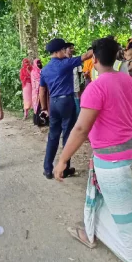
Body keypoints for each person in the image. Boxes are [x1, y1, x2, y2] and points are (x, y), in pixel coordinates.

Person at [53, 38, 132, 262]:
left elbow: (82, 128)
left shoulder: (96, 88)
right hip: (126, 152)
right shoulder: (128, 81)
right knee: (97, 196)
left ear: (93, 59)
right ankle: (91, 232)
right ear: (115, 57)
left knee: (124, 209)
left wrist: (63, 159)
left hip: (110, 158)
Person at [38, 38, 93, 179]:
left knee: (53, 135)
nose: (66, 52)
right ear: (57, 52)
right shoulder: (65, 64)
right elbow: (86, 56)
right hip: (66, 102)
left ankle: (47, 168)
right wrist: (100, 46)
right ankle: (65, 168)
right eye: (63, 49)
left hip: (54, 103)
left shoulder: (44, 70)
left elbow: (42, 91)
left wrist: (44, 108)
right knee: (68, 135)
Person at [65, 42, 83, 115]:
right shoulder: (62, 61)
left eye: (72, 48)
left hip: (75, 88)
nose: (72, 49)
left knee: (77, 107)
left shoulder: (76, 60)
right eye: (70, 48)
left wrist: (81, 87)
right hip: (65, 90)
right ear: (65, 49)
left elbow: (80, 74)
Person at [31, 59, 47, 126]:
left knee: (43, 105)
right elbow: (35, 82)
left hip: (42, 91)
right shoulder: (33, 72)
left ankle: (45, 120)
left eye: (40, 63)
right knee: (37, 106)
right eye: (37, 63)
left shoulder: (42, 71)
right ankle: (38, 121)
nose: (39, 64)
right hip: (36, 92)